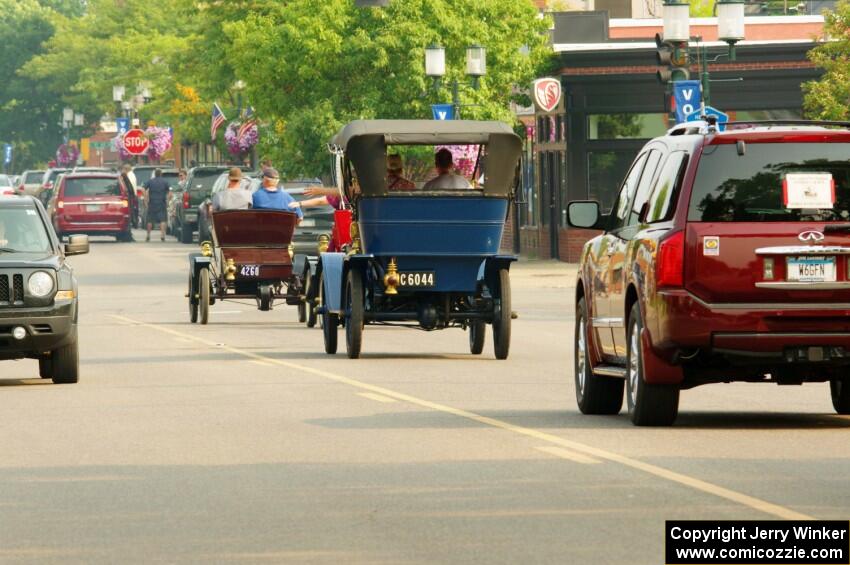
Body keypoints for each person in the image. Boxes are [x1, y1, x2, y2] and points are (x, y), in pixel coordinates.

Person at [143, 168, 171, 242]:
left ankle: (148, 235)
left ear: (155, 174)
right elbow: (169, 192)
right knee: (163, 219)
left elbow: (143, 188)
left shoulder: (150, 181)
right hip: (162, 202)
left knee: (149, 220)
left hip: (152, 202)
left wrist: (145, 198)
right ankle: (162, 235)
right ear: (161, 174)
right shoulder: (165, 182)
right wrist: (168, 201)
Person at [121, 164, 139, 228]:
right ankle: (134, 222)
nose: (122, 171)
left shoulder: (129, 176)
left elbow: (129, 187)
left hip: (131, 195)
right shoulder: (132, 175)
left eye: (123, 169)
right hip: (133, 195)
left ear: (126, 169)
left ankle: (133, 222)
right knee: (133, 210)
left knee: (131, 210)